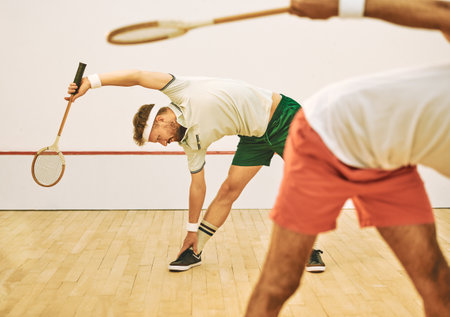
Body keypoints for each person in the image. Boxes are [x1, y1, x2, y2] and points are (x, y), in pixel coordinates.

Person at [246, 0, 450, 316]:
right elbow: (443, 13)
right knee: (281, 282)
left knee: (437, 280)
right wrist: (343, 5)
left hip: (390, 162)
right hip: (327, 132)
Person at [66, 71, 327, 273]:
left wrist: (93, 81)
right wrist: (191, 229)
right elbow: (198, 186)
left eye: (159, 138)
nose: (164, 144)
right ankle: (194, 250)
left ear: (160, 120)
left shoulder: (182, 91)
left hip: (283, 117)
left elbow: (138, 77)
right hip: (254, 137)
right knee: (228, 189)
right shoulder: (189, 143)